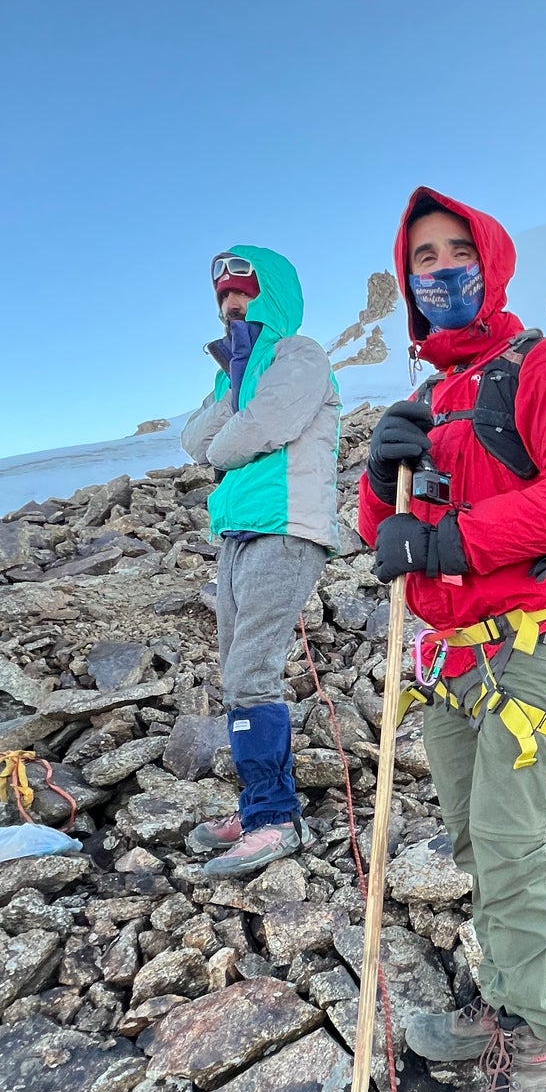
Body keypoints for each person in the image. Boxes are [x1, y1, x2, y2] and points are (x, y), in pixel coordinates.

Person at [357, 188, 546, 1092]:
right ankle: (498, 999)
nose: (438, 269)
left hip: (522, 644)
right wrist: (374, 481)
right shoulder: (424, 403)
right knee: (472, 837)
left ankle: (535, 1043)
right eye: (421, 258)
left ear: (491, 261)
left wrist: (448, 539)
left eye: (454, 250)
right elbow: (383, 539)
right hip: (449, 657)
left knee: (510, 842)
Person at [180, 246, 340, 878]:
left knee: (252, 672)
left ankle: (274, 818)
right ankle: (256, 807)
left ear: (270, 293)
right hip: (239, 531)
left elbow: (254, 432)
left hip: (285, 527)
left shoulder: (299, 355)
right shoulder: (233, 374)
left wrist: (229, 435)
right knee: (234, 671)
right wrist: (234, 393)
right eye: (222, 295)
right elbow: (196, 440)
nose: (231, 303)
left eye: (243, 290)